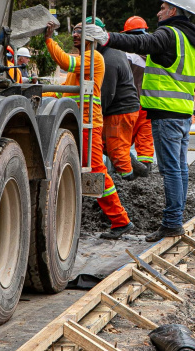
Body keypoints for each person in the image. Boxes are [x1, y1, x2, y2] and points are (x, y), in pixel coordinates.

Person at [86, 0, 195, 243]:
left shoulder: (170, 34)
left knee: (171, 170)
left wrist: (107, 38)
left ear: (174, 10)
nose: (159, 12)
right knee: (179, 169)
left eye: (163, 7)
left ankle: (172, 223)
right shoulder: (192, 41)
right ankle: (175, 220)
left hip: (166, 112)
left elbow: (141, 43)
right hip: (182, 113)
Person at [43, 21, 134, 239]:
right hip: (80, 123)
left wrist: (48, 39)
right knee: (87, 169)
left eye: (80, 32)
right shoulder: (84, 62)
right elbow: (65, 92)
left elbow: (64, 62)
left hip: (88, 124)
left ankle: (121, 221)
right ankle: (117, 220)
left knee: (96, 170)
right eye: (74, 31)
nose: (75, 35)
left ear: (93, 37)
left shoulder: (94, 58)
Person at [86, 17, 147, 180]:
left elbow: (107, 92)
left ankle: (128, 181)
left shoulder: (109, 59)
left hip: (121, 110)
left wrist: (96, 114)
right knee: (109, 145)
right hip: (127, 107)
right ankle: (138, 169)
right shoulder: (114, 52)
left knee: (117, 150)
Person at [121, 16, 155, 171]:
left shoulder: (127, 55)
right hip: (148, 103)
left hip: (130, 103)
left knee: (123, 136)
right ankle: (146, 166)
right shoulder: (154, 55)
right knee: (145, 135)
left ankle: (124, 166)